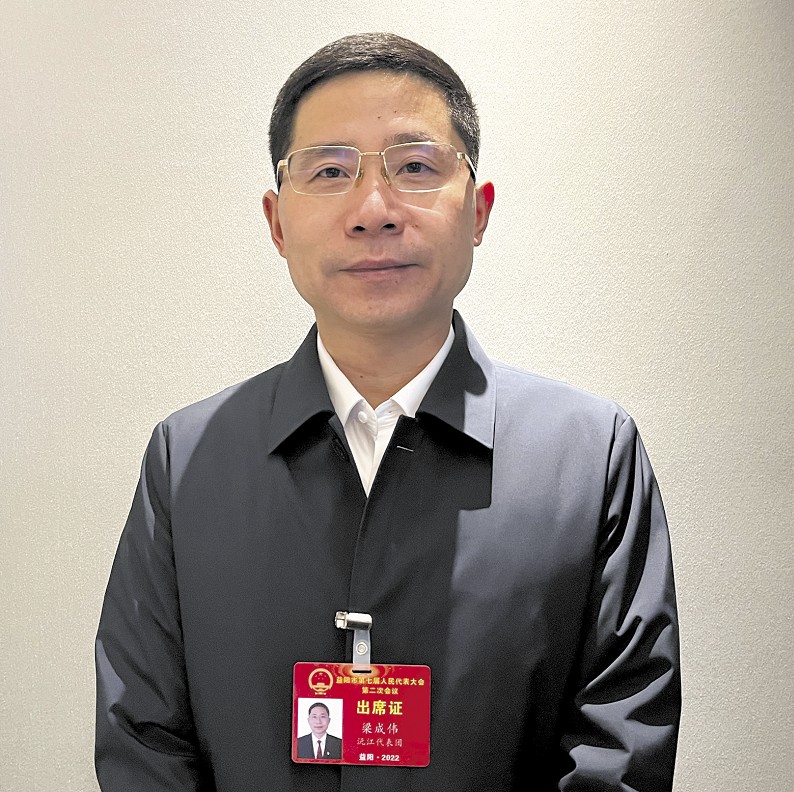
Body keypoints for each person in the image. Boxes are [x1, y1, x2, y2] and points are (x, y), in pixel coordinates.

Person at [95, 32, 681, 791]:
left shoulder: (590, 457)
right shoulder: (188, 459)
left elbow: (620, 750)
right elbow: (143, 743)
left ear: (478, 211)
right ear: (277, 223)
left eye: (415, 167)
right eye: (330, 171)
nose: (373, 211)